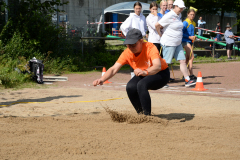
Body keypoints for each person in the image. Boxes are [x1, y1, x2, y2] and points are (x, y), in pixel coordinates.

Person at [93, 29, 169, 115]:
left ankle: (147, 116)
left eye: (133, 44)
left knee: (141, 84)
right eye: (128, 45)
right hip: (144, 74)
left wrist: (145, 72)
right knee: (130, 87)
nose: (131, 47)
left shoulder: (150, 47)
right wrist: (102, 79)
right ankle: (140, 114)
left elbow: (157, 66)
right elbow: (114, 68)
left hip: (161, 74)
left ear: (141, 41)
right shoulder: (127, 53)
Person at [155, 0, 196, 87]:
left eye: (182, 8)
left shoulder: (179, 15)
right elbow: (157, 25)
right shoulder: (169, 15)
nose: (181, 9)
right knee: (166, 63)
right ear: (175, 6)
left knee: (183, 60)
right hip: (169, 42)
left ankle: (187, 80)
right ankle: (162, 81)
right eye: (180, 8)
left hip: (177, 42)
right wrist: (160, 35)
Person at [120, 1, 148, 79]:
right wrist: (129, 37)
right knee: (133, 56)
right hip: (134, 40)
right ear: (134, 9)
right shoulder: (131, 17)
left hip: (141, 39)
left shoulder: (143, 17)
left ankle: (141, 71)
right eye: (136, 8)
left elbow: (145, 28)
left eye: (139, 8)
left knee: (142, 56)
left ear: (141, 8)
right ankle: (132, 73)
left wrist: (145, 33)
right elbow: (123, 27)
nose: (138, 10)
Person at [182, 9, 197, 80]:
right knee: (192, 57)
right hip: (185, 41)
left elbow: (192, 32)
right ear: (188, 14)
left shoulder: (193, 23)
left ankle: (185, 75)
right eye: (191, 14)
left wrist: (194, 37)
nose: (192, 16)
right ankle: (191, 75)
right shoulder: (185, 22)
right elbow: (181, 32)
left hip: (190, 41)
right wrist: (189, 37)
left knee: (187, 58)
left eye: (193, 15)